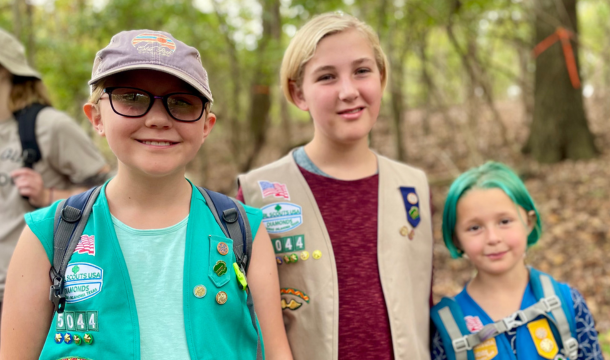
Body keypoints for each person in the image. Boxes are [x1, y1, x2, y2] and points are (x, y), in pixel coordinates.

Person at [1, 30, 292, 360]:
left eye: (181, 102)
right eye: (131, 98)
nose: (157, 119)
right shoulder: (47, 235)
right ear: (96, 117)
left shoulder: (245, 230)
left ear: (206, 126)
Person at [236, 13, 433, 360]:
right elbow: (243, 322)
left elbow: (422, 301)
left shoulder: (412, 187)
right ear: (299, 94)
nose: (348, 91)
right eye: (327, 77)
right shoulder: (256, 195)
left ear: (382, 78)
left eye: (362, 71)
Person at [431, 162, 603, 360]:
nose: (493, 238)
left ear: (529, 222)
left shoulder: (568, 304)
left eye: (504, 221)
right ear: (456, 238)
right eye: (474, 228)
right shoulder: (448, 325)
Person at [0, 28, 110, 326]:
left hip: (30, 296)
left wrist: (48, 196)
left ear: (7, 72)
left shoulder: (50, 126)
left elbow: (115, 192)